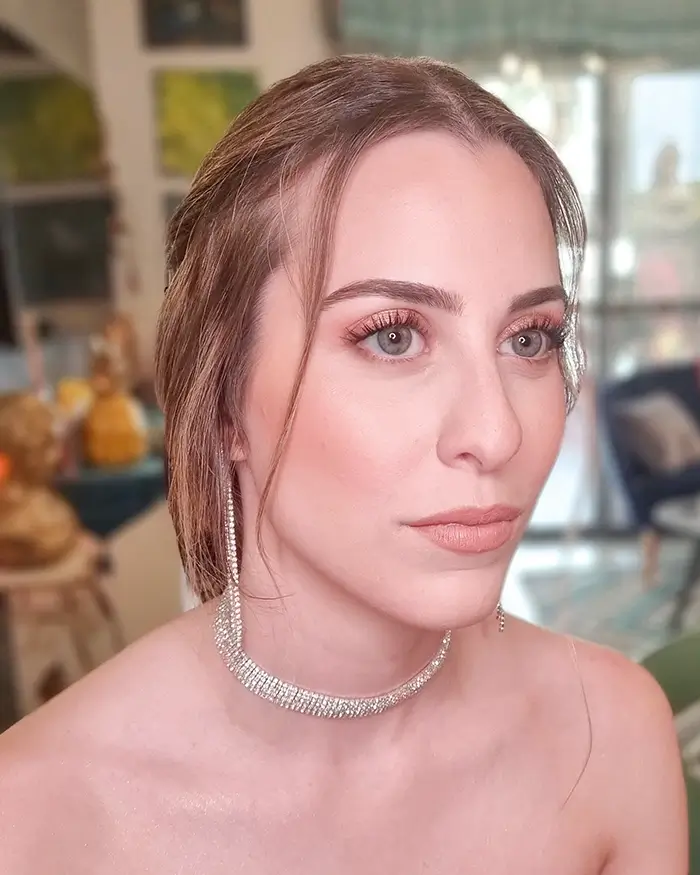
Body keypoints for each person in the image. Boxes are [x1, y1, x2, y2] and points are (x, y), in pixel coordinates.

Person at [0, 54, 687, 873]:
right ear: (224, 401)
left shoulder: (614, 736)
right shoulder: (33, 818)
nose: (497, 430)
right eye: (392, 336)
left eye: (529, 338)